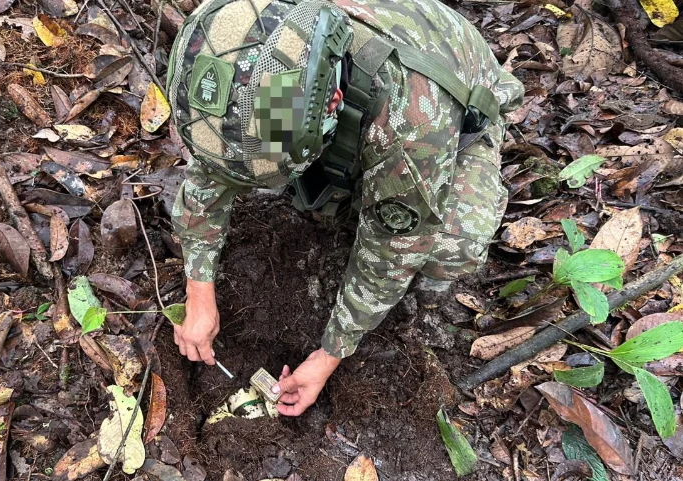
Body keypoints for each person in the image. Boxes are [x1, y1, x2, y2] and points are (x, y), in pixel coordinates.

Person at [166, 0, 525, 416]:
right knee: (267, 169)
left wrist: (329, 354)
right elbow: (212, 169)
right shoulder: (259, 38)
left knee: (449, 248)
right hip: (364, 95)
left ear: (331, 101)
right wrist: (199, 291)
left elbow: (393, 251)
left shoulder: (411, 125)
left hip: (452, 102)